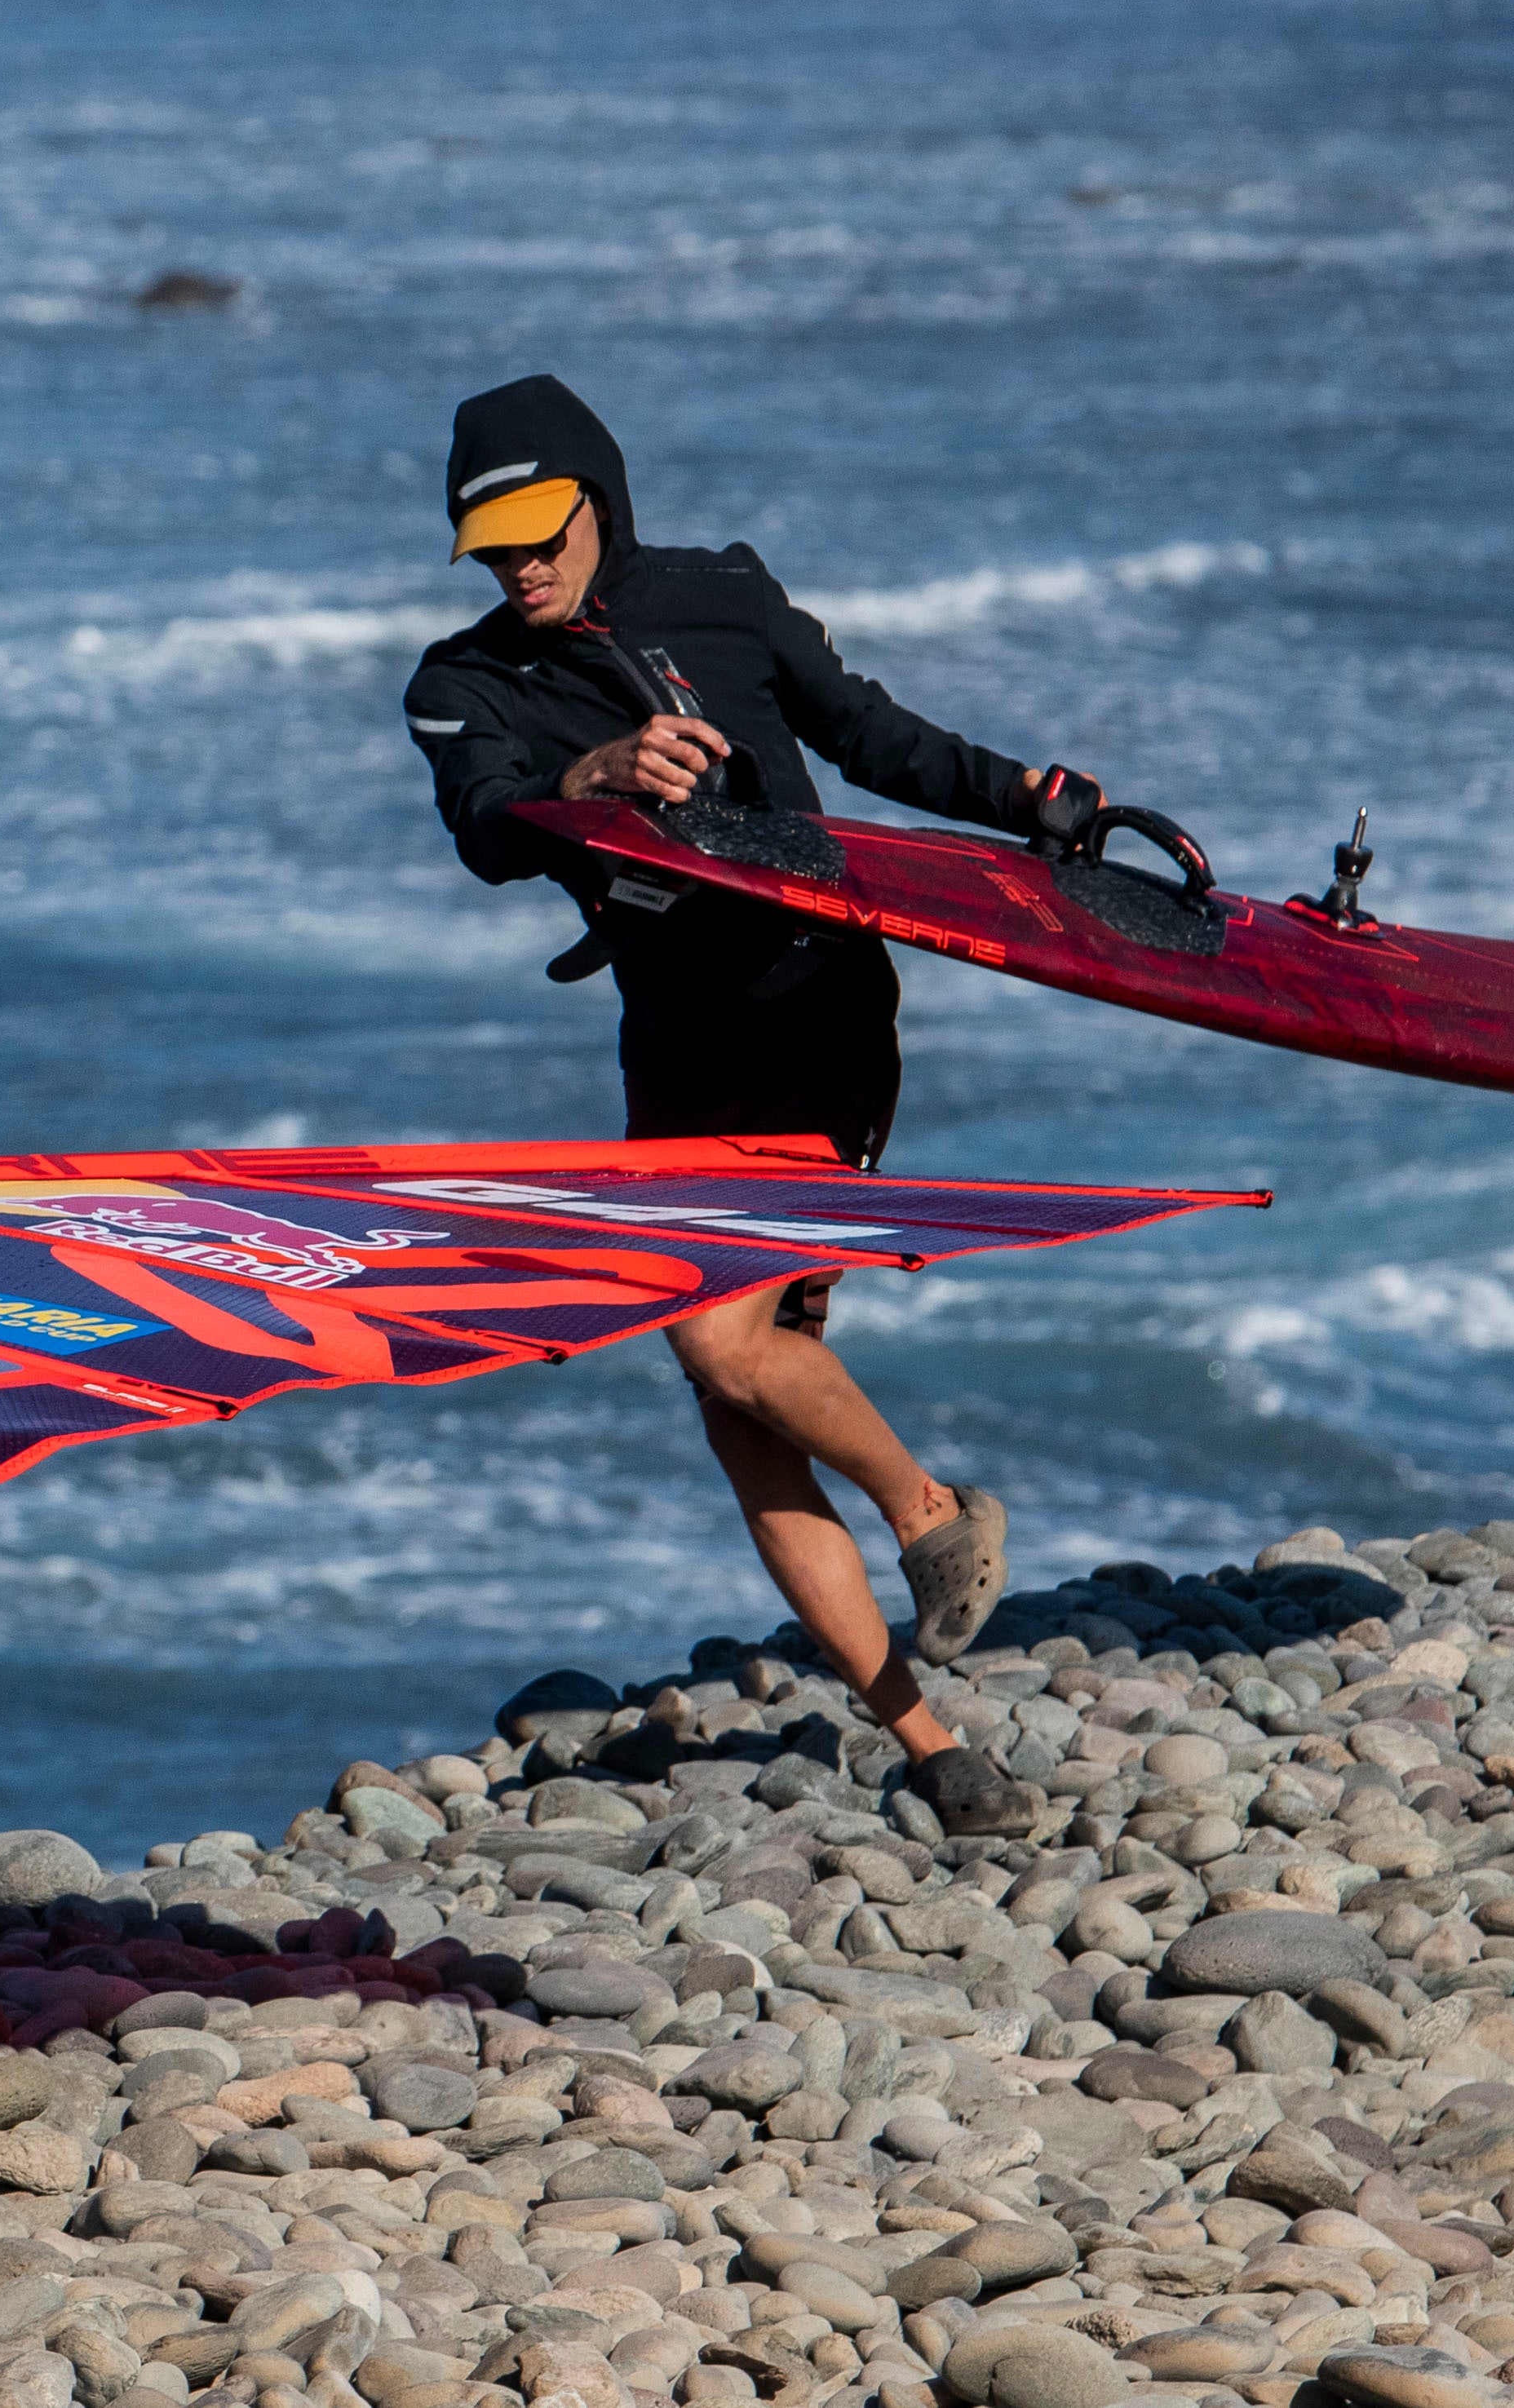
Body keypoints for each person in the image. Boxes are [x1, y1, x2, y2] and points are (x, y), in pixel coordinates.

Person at [401, 374, 1110, 1839]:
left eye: (543, 535)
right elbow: (488, 825)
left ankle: (932, 1515)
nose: (521, 568)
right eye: (494, 549)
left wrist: (1028, 798)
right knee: (741, 1403)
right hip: (676, 1053)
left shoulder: (724, 598)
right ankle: (930, 1745)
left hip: (817, 1016)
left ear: (600, 504)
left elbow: (871, 735)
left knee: (723, 1341)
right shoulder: (464, 683)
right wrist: (593, 775)